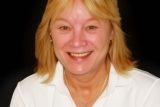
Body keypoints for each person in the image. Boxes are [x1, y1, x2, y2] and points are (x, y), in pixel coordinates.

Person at [10, 0, 160, 107]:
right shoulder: (27, 95)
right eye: (64, 28)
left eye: (91, 27)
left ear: (112, 32)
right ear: (50, 33)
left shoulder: (149, 94)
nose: (77, 42)